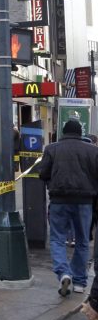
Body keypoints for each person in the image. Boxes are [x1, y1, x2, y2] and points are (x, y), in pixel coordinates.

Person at [38, 119, 98, 297]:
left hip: (59, 200)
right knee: (82, 241)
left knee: (57, 239)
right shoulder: (93, 151)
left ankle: (63, 272)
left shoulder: (52, 149)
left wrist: (52, 183)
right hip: (84, 202)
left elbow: (43, 173)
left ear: (63, 132)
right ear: (80, 133)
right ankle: (79, 282)